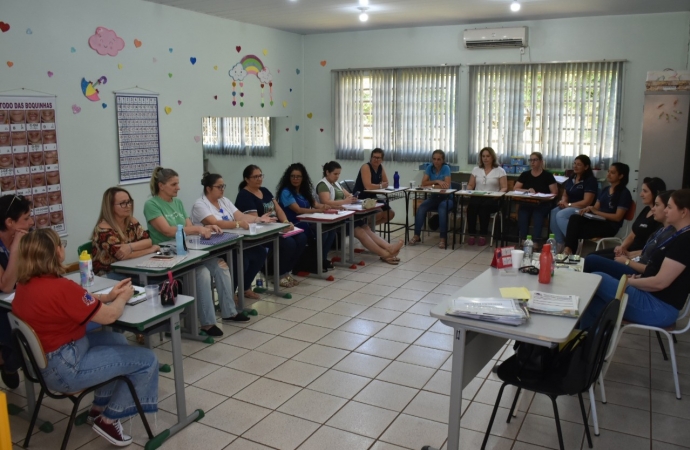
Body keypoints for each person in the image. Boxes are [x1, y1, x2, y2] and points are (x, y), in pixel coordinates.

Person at [12, 229, 158, 446]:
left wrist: (108, 296)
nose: (63, 248)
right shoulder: (61, 288)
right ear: (55, 253)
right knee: (147, 361)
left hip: (43, 364)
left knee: (116, 341)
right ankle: (109, 419)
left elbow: (75, 301)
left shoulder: (24, 286)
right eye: (60, 245)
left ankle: (98, 407)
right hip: (67, 368)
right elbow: (109, 316)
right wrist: (123, 298)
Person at [145, 167, 249, 337]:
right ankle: (207, 323)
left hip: (186, 250)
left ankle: (229, 312)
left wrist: (205, 227)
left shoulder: (177, 202)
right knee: (202, 273)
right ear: (161, 185)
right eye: (174, 184)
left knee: (221, 266)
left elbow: (188, 227)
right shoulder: (152, 204)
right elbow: (167, 231)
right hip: (167, 254)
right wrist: (198, 229)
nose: (178, 187)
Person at [580, 189, 690, 330]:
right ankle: (584, 345)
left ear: (683, 212)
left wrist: (627, 282)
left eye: (669, 207)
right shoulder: (679, 236)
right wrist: (638, 278)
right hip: (651, 297)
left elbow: (660, 283)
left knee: (598, 278)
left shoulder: (685, 241)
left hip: (659, 308)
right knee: (592, 302)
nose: (666, 211)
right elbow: (656, 272)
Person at [191, 172, 273, 299]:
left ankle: (245, 288)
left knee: (260, 253)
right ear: (208, 188)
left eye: (223, 186)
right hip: (214, 247)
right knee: (240, 259)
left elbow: (240, 215)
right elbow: (215, 223)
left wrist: (257, 219)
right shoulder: (200, 204)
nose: (222, 190)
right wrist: (237, 224)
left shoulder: (224, 201)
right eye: (219, 187)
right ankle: (229, 295)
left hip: (232, 243)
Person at [317, 161, 404, 265]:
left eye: (339, 174)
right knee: (360, 231)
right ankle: (384, 254)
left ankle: (389, 247)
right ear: (327, 172)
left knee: (366, 227)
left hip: (344, 214)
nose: (337, 176)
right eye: (335, 174)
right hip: (333, 218)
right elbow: (326, 202)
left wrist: (351, 198)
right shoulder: (323, 185)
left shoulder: (336, 184)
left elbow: (348, 194)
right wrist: (345, 201)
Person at [235, 165, 307, 287]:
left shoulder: (265, 190)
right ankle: (277, 274)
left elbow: (278, 210)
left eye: (260, 175)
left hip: (276, 228)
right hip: (261, 233)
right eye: (255, 177)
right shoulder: (244, 195)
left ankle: (286, 271)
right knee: (288, 243)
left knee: (302, 238)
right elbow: (255, 221)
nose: (259, 179)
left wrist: (285, 222)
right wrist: (279, 227)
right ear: (247, 179)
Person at [583, 190, 675, 279]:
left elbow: (651, 268)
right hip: (634, 260)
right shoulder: (661, 229)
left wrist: (626, 261)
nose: (653, 208)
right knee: (591, 258)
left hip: (637, 270)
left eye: (657, 205)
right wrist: (627, 254)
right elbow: (645, 251)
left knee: (591, 260)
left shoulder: (670, 235)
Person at [277, 163, 338, 272]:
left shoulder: (303, 191)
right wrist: (318, 210)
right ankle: (312, 263)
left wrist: (326, 207)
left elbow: (315, 204)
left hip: (306, 222)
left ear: (303, 178)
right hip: (294, 223)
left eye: (298, 176)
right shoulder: (286, 192)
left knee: (330, 231)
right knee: (321, 234)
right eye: (293, 176)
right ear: (288, 177)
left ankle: (321, 260)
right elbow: (298, 210)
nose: (295, 179)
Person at [588, 177, 666, 260]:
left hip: (636, 255)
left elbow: (651, 248)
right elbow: (632, 234)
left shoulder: (659, 218)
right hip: (628, 250)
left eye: (645, 191)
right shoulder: (646, 210)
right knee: (590, 255)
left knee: (593, 259)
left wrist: (629, 255)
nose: (641, 194)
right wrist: (622, 247)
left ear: (656, 193)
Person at [562, 162, 633, 255]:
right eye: (608, 171)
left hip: (610, 226)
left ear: (620, 176)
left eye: (612, 173)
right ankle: (568, 250)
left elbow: (618, 217)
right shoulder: (605, 189)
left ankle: (569, 252)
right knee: (575, 218)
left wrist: (596, 212)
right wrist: (589, 209)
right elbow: (596, 207)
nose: (608, 174)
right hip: (598, 220)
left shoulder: (624, 193)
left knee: (575, 230)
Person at [0, 195, 33, 389]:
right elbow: (5, 285)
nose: (31, 222)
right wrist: (15, 250)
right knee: (19, 342)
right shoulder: (16, 241)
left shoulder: (26, 236)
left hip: (19, 298)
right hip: (3, 305)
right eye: (26, 218)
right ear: (10, 222)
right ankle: (6, 361)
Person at [92, 187, 160, 278]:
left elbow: (148, 241)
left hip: (131, 267)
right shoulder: (103, 230)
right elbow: (123, 256)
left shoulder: (132, 221)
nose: (128, 206)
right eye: (123, 203)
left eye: (129, 202)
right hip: (109, 274)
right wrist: (150, 250)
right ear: (111, 207)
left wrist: (129, 247)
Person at [549, 155, 598, 251]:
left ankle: (572, 242)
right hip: (569, 206)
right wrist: (563, 201)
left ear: (586, 167)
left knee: (561, 215)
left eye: (579, 164)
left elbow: (587, 202)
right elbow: (565, 194)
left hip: (583, 208)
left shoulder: (590, 181)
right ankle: (560, 243)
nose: (575, 166)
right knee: (553, 212)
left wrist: (569, 205)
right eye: (574, 164)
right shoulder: (572, 178)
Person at [409, 150, 454, 249]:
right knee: (421, 207)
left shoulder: (446, 168)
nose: (436, 161)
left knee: (442, 209)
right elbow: (423, 183)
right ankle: (417, 235)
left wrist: (432, 185)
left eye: (439, 159)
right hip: (434, 197)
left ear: (443, 160)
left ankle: (443, 238)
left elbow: (446, 186)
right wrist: (437, 182)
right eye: (434, 159)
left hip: (447, 198)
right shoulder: (430, 167)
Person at [513, 152, 558, 248]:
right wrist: (527, 190)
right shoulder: (525, 174)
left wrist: (542, 196)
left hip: (543, 204)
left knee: (538, 214)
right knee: (523, 212)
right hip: (528, 202)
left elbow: (554, 192)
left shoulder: (548, 175)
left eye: (535, 160)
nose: (532, 162)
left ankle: (536, 241)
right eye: (531, 160)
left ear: (541, 162)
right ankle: (524, 240)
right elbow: (516, 188)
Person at [466, 147, 508, 246]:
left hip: (493, 198)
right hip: (478, 196)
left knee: (484, 208)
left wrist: (497, 196)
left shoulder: (500, 171)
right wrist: (467, 190)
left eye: (488, 156)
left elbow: (504, 187)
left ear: (492, 157)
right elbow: (471, 185)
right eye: (483, 156)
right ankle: (471, 234)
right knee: (471, 207)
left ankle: (483, 235)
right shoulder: (476, 169)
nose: (485, 158)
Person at [352, 148, 396, 226]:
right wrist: (380, 185)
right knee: (379, 214)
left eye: (378, 158)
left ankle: (368, 228)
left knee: (390, 213)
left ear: (382, 159)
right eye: (374, 157)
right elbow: (368, 186)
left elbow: (386, 183)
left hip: (373, 197)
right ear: (371, 158)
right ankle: (365, 227)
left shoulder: (380, 167)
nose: (376, 159)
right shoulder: (366, 167)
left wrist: (379, 186)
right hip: (362, 197)